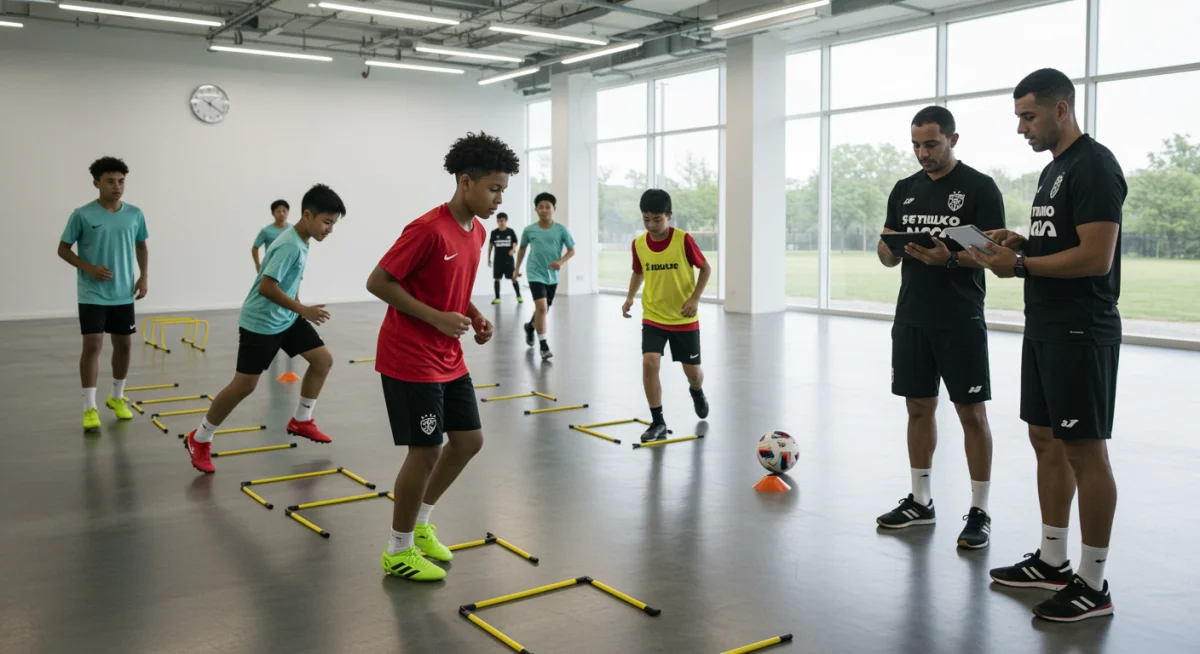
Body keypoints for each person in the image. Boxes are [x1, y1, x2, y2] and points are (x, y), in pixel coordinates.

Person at [968, 68, 1124, 623]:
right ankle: (1054, 560)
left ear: (1062, 110)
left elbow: (1096, 256)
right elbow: (1065, 243)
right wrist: (1022, 242)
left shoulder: (1095, 165)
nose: (1021, 128)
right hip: (1046, 324)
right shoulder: (1054, 171)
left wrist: (1023, 264)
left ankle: (1094, 582)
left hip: (1083, 328)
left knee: (1086, 451)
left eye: (1028, 116)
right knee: (1044, 439)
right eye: (1018, 117)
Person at [367, 132, 515, 582]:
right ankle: (398, 549)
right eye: (493, 189)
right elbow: (378, 282)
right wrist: (436, 318)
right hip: (409, 357)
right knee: (426, 450)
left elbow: (456, 289)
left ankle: (422, 524)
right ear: (465, 182)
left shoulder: (478, 231)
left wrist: (473, 316)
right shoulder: (427, 229)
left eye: (503, 190)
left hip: (447, 357)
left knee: (468, 441)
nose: (498, 198)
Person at [873, 106, 1005, 551]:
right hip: (912, 315)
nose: (922, 153)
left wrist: (947, 257)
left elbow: (991, 255)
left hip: (960, 317)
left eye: (931, 144)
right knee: (917, 409)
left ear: (953, 140)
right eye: (915, 145)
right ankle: (920, 500)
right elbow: (886, 247)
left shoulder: (977, 188)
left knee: (971, 413)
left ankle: (980, 510)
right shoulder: (905, 189)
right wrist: (890, 252)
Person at [185, 184, 345, 474]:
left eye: (334, 224)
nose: (330, 230)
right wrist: (303, 310)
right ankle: (200, 437)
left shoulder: (303, 240)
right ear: (307, 215)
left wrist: (297, 306)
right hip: (261, 323)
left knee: (323, 361)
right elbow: (267, 287)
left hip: (286, 318)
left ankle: (302, 420)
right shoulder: (289, 244)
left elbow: (288, 282)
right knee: (244, 386)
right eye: (327, 222)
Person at [57, 157, 149, 432]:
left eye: (121, 181)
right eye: (110, 181)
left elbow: (141, 245)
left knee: (124, 345)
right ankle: (89, 407)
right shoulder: (82, 214)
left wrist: (144, 277)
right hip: (92, 293)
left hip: (123, 293)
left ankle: (117, 397)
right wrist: (89, 268)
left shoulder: (135, 213)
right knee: (93, 345)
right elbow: (63, 249)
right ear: (96, 183)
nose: (117, 186)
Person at [621, 189, 711, 442]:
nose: (651, 225)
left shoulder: (683, 240)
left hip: (683, 318)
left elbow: (705, 268)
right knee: (649, 362)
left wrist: (694, 299)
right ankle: (658, 421)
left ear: (669, 216)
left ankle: (697, 390)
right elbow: (638, 272)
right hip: (654, 315)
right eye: (646, 219)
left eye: (657, 219)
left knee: (692, 373)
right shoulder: (638, 244)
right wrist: (629, 298)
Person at [515, 192, 575, 360]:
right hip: (534, 272)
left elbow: (571, 251)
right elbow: (522, 249)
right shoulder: (529, 230)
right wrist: (516, 269)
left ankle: (529, 327)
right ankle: (543, 345)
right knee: (542, 308)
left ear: (553, 209)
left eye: (548, 207)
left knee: (544, 309)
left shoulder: (561, 230)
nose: (544, 210)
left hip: (552, 275)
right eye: (540, 207)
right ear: (536, 209)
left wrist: (560, 262)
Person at [488, 212, 522, 304]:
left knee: (513, 277)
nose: (500, 222)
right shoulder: (494, 232)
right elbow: (490, 245)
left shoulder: (510, 232)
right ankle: (497, 298)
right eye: (499, 220)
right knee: (497, 278)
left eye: (502, 220)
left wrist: (513, 250)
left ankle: (519, 296)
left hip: (508, 260)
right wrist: (488, 258)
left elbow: (515, 242)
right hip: (498, 260)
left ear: (506, 221)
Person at [252, 199, 291, 272]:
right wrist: (258, 265)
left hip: (289, 267)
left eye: (284, 211)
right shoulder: (266, 231)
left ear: (288, 212)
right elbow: (255, 248)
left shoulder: (293, 229)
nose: (282, 214)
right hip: (271, 267)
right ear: (273, 213)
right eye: (278, 211)